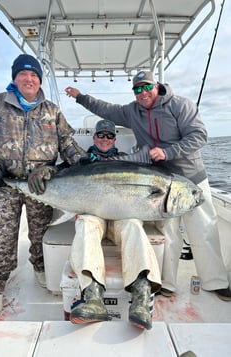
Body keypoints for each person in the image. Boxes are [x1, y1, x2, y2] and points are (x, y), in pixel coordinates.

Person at [65, 71, 231, 301]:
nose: (142, 93)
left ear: (156, 86)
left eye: (146, 87)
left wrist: (168, 152)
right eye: (137, 89)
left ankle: (215, 281)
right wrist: (81, 97)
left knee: (203, 229)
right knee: (168, 231)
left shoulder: (180, 105)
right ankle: (167, 283)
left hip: (190, 176)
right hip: (158, 179)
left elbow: (199, 135)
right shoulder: (132, 111)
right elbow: (106, 109)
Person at [0, 54, 85, 318]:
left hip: (41, 185)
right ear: (15, 78)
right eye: (23, 74)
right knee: (3, 237)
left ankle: (41, 268)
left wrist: (83, 160)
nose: (29, 79)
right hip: (6, 184)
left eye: (33, 75)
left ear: (39, 80)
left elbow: (66, 143)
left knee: (40, 232)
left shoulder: (52, 110)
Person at [69, 119, 161, 330]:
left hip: (122, 216)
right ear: (94, 138)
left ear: (114, 139)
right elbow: (62, 179)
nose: (105, 139)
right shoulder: (81, 160)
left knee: (134, 226)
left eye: (109, 136)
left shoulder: (126, 161)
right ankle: (92, 299)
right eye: (100, 135)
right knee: (84, 224)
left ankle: (140, 300)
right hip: (94, 215)